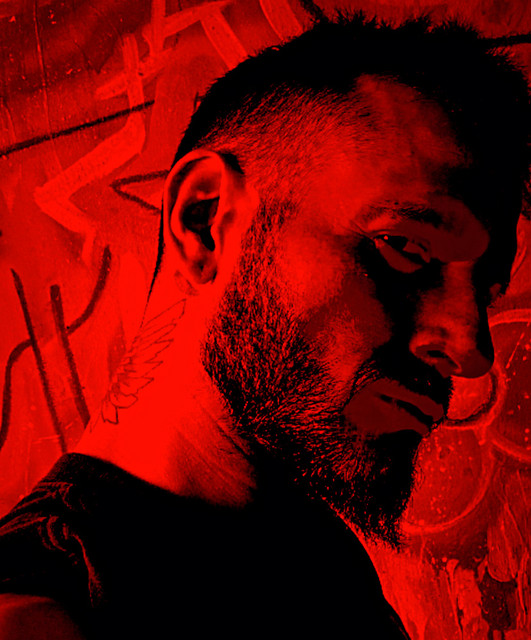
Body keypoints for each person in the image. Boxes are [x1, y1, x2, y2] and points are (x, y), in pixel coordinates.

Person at [0, 13, 529, 640]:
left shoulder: (317, 563)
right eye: (404, 248)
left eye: (483, 293)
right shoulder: (37, 613)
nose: (470, 349)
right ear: (205, 223)